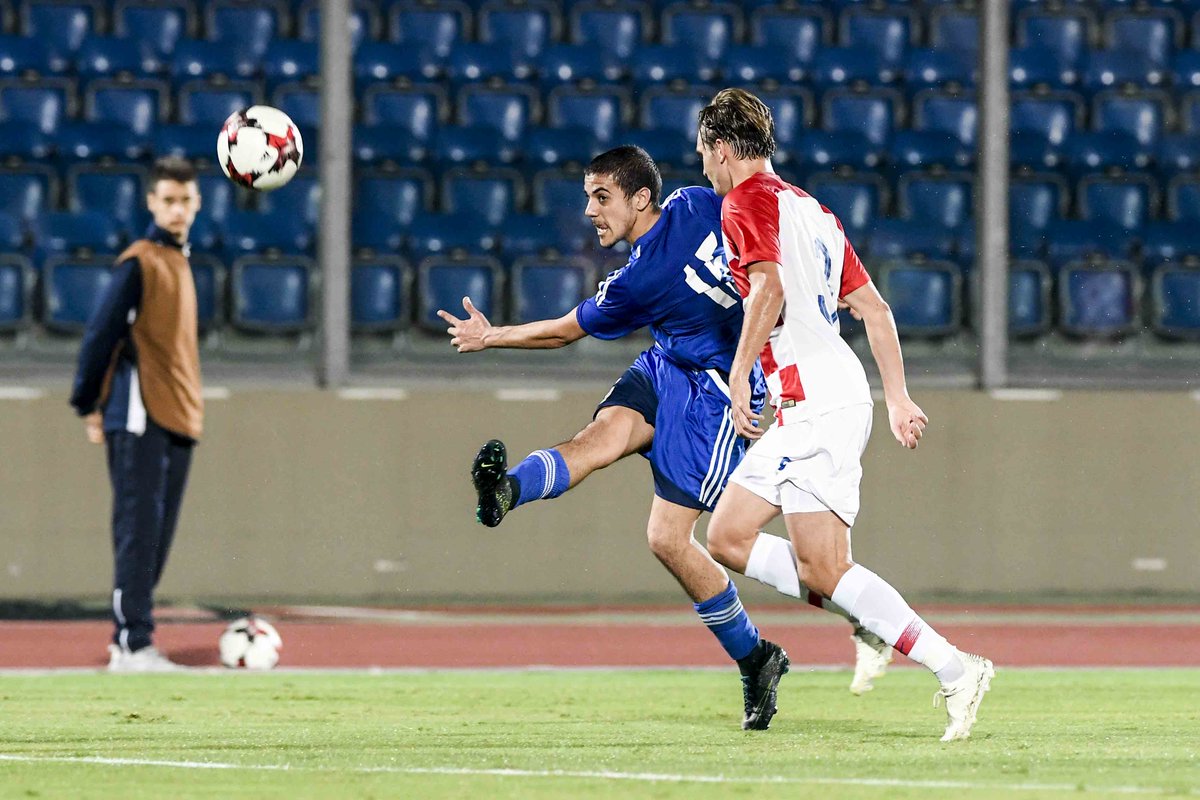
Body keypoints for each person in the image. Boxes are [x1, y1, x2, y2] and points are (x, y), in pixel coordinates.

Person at [439, 145, 793, 729]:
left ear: (640, 198)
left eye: (601, 197)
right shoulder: (699, 201)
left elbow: (561, 333)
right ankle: (505, 491)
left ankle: (757, 657)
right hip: (670, 361)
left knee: (667, 538)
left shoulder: (639, 280)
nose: (590, 211)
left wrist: (490, 336)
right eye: (588, 197)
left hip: (715, 392)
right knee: (601, 436)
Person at [694, 88, 995, 742]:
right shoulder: (814, 210)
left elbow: (767, 290)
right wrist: (898, 397)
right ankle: (869, 617)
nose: (705, 171)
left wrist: (742, 370)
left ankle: (955, 668)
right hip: (816, 398)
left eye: (704, 157)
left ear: (721, 150)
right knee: (727, 537)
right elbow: (876, 310)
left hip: (820, 401)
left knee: (825, 570)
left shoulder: (743, 200)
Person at [69, 156, 204, 673]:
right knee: (138, 529)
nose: (176, 209)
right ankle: (130, 643)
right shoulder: (139, 262)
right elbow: (101, 335)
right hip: (139, 413)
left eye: (185, 201)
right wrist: (88, 402)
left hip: (178, 415)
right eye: (167, 200)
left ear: (197, 204)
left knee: (158, 536)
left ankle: (136, 638)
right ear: (151, 202)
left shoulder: (180, 261)